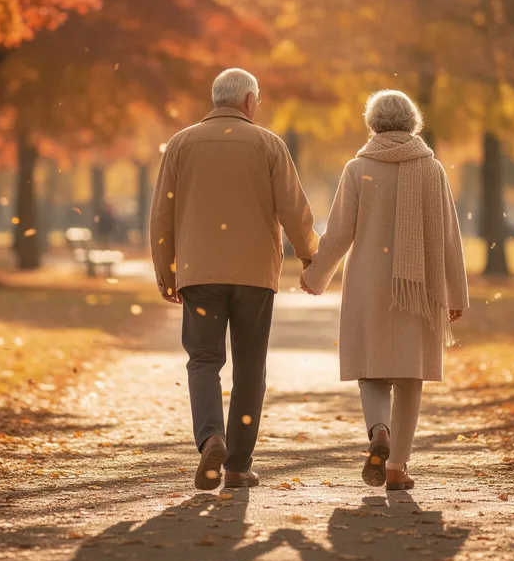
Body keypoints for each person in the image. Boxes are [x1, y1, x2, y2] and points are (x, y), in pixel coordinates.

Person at [149, 68, 318, 490]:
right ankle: (238, 465)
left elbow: (161, 215)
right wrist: (310, 256)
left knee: (204, 360)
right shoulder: (269, 145)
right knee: (249, 367)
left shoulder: (181, 144)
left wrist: (166, 270)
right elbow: (294, 211)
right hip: (254, 276)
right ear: (248, 101)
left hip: (199, 273)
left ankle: (211, 436)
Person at [300, 90, 468, 491]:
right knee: (410, 377)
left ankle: (379, 431)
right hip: (420, 288)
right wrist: (457, 294)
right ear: (414, 122)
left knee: (372, 372)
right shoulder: (433, 170)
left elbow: (339, 233)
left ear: (372, 123)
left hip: (369, 286)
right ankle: (396, 468)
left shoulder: (359, 168)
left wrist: (316, 275)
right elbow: (448, 237)